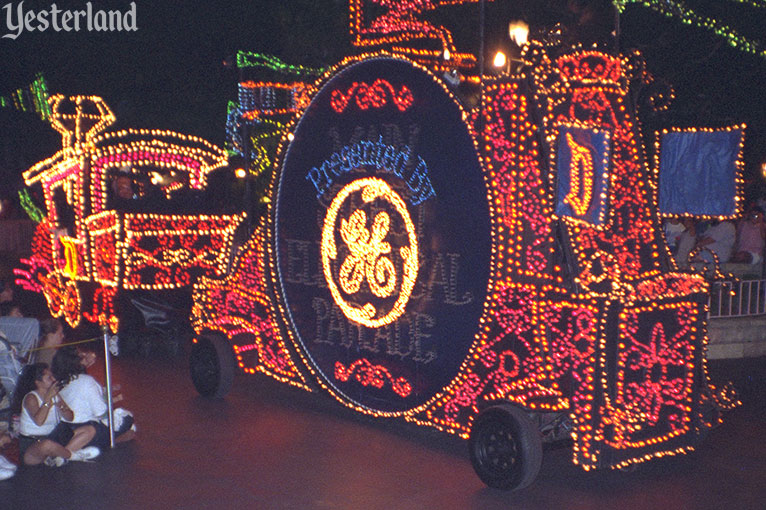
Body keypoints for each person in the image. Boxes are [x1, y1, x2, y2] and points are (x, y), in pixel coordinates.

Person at [11, 363, 99, 466]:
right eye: (49, 378)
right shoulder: (31, 398)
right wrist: (48, 399)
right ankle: (73, 456)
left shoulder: (55, 395)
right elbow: (39, 421)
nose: (53, 379)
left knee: (89, 429)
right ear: (38, 382)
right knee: (47, 445)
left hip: (53, 437)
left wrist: (60, 405)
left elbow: (70, 417)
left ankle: (60, 456)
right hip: (33, 444)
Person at [52, 346, 135, 450]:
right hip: (85, 429)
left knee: (129, 433)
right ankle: (96, 444)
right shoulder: (87, 381)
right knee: (127, 418)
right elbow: (101, 413)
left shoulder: (58, 382)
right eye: (82, 356)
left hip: (64, 429)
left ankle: (106, 442)